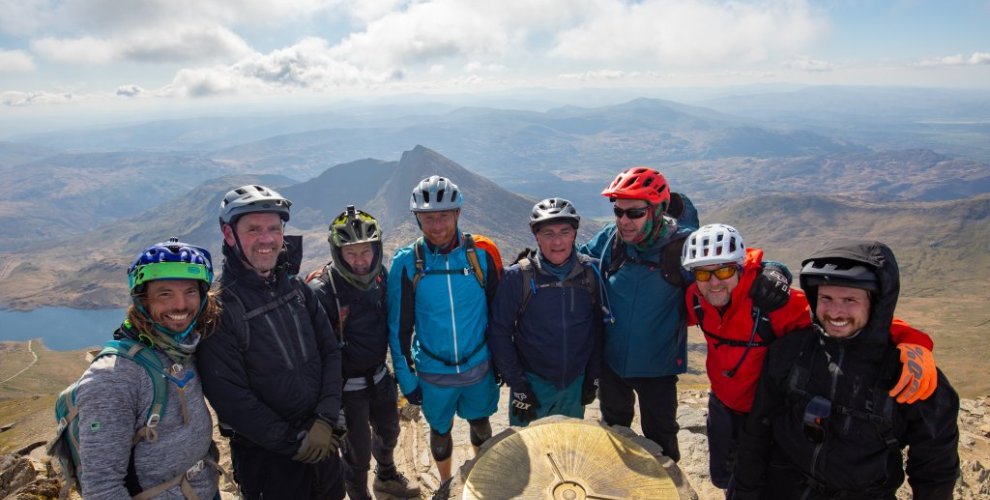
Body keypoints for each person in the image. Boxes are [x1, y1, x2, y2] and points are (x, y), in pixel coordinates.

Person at [681, 224, 938, 496]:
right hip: (722, 405)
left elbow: (835, 317)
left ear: (741, 267)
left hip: (766, 413)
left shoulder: (771, 302)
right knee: (724, 477)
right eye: (702, 272)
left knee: (758, 478)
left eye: (723, 270)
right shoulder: (695, 299)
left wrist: (913, 340)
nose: (714, 282)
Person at [733, 239, 959, 499]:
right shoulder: (789, 352)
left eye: (850, 299)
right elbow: (758, 432)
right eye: (826, 298)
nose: (836, 312)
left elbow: (935, 467)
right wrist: (746, 492)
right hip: (785, 489)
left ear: (875, 303)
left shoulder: (907, 373)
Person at [197, 185, 346, 500]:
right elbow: (232, 400)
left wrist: (326, 419)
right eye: (253, 230)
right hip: (269, 463)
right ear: (228, 234)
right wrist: (298, 442)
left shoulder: (297, 290)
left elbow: (331, 353)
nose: (266, 239)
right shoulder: (220, 310)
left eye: (274, 229)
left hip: (324, 446)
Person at [75, 238, 221, 498]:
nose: (180, 305)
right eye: (165, 293)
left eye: (190, 291)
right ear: (143, 300)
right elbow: (102, 488)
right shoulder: (113, 377)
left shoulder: (184, 346)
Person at [388, 175, 502, 500]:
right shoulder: (407, 263)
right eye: (428, 218)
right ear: (417, 219)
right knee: (440, 431)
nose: (436, 226)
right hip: (433, 371)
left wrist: (503, 362)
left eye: (443, 216)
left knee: (481, 423)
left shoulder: (482, 254)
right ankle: (446, 482)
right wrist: (406, 380)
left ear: (457, 214)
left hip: (478, 365)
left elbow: (499, 315)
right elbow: (399, 329)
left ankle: (480, 476)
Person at [307, 206, 420, 500]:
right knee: (356, 456)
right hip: (347, 389)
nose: (360, 261)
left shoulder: (379, 277)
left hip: (380, 378)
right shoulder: (323, 290)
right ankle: (359, 496)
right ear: (337, 253)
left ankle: (386, 477)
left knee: (390, 433)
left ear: (377, 249)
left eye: (366, 251)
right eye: (351, 253)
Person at [487, 198, 605, 426]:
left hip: (574, 383)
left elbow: (597, 327)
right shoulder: (517, 277)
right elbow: (499, 333)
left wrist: (593, 375)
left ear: (574, 234)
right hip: (533, 382)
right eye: (548, 233)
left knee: (568, 451)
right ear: (536, 236)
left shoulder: (591, 273)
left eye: (564, 232)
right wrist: (518, 385)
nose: (558, 241)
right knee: (527, 456)